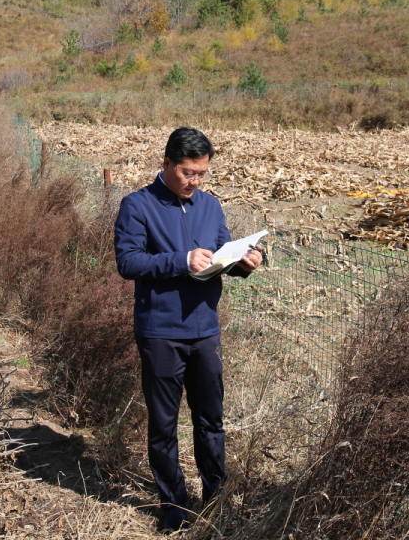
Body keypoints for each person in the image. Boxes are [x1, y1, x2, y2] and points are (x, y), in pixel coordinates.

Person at [114, 127, 263, 532]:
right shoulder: (137, 205)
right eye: (188, 173)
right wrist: (181, 260)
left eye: (202, 174)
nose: (195, 181)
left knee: (211, 421)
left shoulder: (210, 206)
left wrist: (245, 262)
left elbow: (223, 255)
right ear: (167, 164)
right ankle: (174, 507)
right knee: (164, 425)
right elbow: (128, 262)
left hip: (205, 330)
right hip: (160, 331)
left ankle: (216, 500)